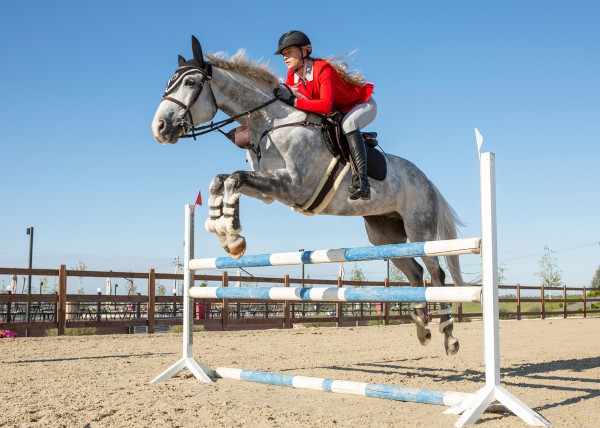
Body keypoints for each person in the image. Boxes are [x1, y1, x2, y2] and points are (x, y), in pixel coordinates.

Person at [274, 30, 376, 200]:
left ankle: (362, 181)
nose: (285, 57)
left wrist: (293, 101)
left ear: (304, 51)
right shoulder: (291, 76)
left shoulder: (323, 68)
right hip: (340, 111)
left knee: (348, 125)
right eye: (283, 54)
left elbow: (325, 106)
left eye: (289, 52)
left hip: (362, 105)